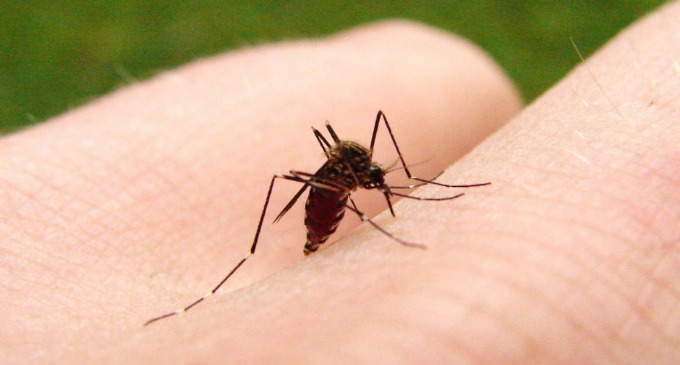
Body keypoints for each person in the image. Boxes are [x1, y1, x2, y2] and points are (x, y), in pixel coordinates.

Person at [1, 4, 678, 363]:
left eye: (373, 179)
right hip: (329, 193)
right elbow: (337, 173)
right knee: (294, 174)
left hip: (348, 180)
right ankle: (265, 246)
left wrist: (408, 183)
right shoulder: (340, 177)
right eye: (373, 179)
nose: (372, 181)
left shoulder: (366, 167)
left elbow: (368, 168)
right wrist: (354, 201)